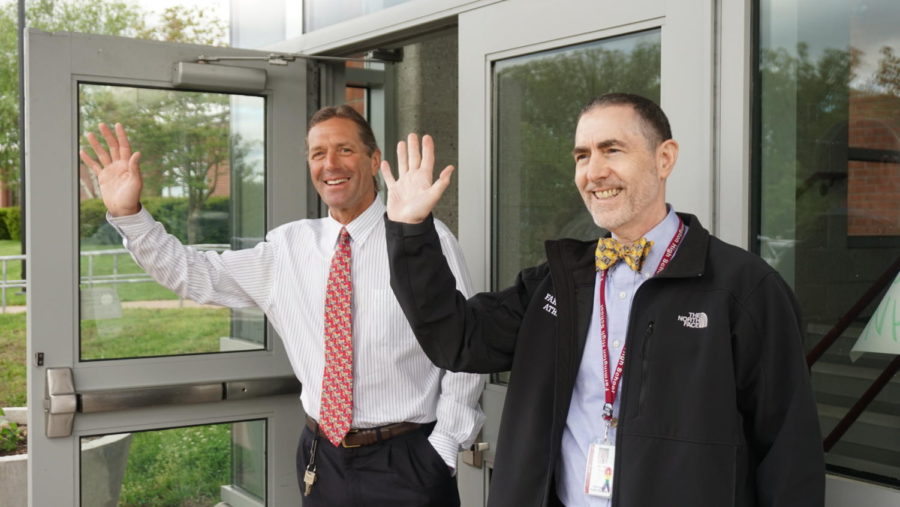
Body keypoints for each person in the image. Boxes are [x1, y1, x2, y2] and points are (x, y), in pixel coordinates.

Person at [381, 93, 825, 506]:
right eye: (582, 156)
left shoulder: (743, 288)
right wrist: (410, 231)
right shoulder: (557, 284)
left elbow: (789, 451)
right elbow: (455, 337)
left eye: (612, 150)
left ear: (664, 158)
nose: (593, 172)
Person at [80, 105, 485, 507]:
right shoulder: (288, 249)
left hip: (408, 460)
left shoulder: (425, 241)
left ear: (374, 160)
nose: (330, 164)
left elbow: (466, 350)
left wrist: (442, 449)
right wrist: (128, 216)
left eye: (344, 149)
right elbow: (195, 274)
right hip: (321, 458)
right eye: (317, 153)